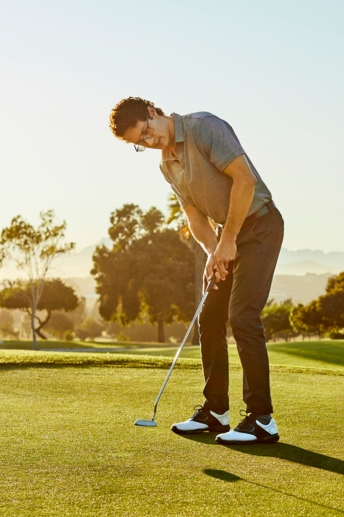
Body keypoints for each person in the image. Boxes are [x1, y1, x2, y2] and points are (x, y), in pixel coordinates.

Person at [109, 97, 284, 444]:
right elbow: (193, 215)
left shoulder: (204, 126)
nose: (149, 141)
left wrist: (229, 239)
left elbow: (244, 181)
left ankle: (261, 419)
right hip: (227, 235)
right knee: (210, 316)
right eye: (139, 143)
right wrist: (212, 251)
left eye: (147, 131)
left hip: (260, 226)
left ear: (153, 112)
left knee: (243, 315)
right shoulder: (167, 165)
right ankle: (216, 411)